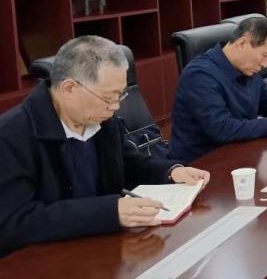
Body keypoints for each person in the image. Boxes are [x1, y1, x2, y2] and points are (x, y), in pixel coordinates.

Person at [0, 36, 210, 256]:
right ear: (69, 88)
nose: (116, 106)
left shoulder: (100, 119)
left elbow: (128, 164)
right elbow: (14, 222)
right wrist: (109, 212)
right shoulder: (11, 136)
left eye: (120, 95)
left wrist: (170, 172)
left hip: (102, 248)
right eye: (108, 98)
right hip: (45, 261)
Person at [169, 17, 267, 163]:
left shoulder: (246, 70)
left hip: (239, 155)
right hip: (201, 165)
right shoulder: (199, 75)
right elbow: (221, 129)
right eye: (265, 55)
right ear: (242, 44)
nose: (265, 64)